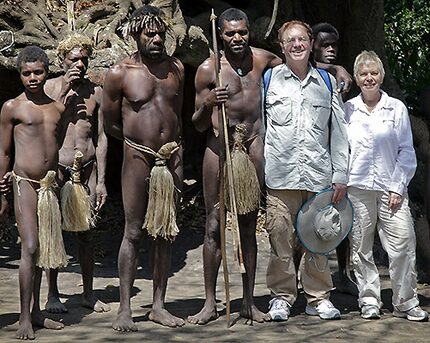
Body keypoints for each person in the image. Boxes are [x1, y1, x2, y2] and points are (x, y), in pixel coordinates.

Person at [187, 8, 282, 325]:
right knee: (213, 225)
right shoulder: (207, 69)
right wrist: (208, 103)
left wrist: (333, 69)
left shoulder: (265, 60)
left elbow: (298, 69)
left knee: (247, 226)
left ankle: (249, 303)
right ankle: (210, 303)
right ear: (221, 34)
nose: (237, 38)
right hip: (219, 148)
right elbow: (198, 125)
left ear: (248, 31)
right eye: (230, 33)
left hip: (253, 145)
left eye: (242, 32)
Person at [101, 5, 185, 331]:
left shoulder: (176, 68)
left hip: (172, 155)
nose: (156, 38)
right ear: (135, 34)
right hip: (137, 156)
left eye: (160, 32)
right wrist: (139, 143)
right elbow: (110, 123)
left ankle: (159, 306)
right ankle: (124, 308)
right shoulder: (119, 74)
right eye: (149, 33)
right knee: (133, 232)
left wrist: (173, 150)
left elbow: (177, 114)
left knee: (165, 231)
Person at [264, 20, 349, 321]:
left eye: (302, 39)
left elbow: (338, 131)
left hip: (317, 177)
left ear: (311, 43)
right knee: (280, 239)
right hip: (280, 176)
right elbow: (260, 129)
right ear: (282, 46)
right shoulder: (270, 79)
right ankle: (282, 297)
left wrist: (341, 175)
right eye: (290, 40)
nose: (297, 44)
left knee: (319, 239)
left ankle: (317, 297)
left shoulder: (326, 83)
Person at [345, 50, 428, 321]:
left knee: (403, 244)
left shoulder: (396, 108)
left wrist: (396, 186)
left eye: (374, 73)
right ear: (356, 78)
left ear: (381, 76)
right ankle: (368, 300)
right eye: (363, 74)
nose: (369, 78)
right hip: (357, 188)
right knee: (360, 248)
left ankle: (405, 301)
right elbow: (341, 150)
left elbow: (406, 150)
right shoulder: (347, 109)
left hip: (391, 188)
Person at [0, 46, 67, 340]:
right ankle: (24, 317)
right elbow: (3, 152)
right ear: (20, 75)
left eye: (38, 72)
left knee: (43, 249)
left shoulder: (57, 108)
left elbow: (56, 145)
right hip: (23, 183)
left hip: (50, 186)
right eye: (26, 73)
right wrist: (1, 190)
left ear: (47, 72)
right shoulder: (12, 108)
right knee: (28, 247)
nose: (32, 78)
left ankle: (38, 312)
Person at [43, 33, 110, 314]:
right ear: (61, 60)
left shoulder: (96, 92)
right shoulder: (47, 88)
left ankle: (88, 293)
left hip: (87, 168)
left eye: (84, 59)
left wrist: (102, 181)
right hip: (56, 168)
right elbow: (44, 129)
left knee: (88, 234)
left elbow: (102, 136)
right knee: (52, 232)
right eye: (74, 59)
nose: (80, 64)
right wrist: (63, 94)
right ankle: (52, 295)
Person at [312, 22, 357, 296]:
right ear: (312, 45)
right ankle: (298, 277)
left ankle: (343, 273)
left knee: (341, 215)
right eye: (324, 45)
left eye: (334, 46)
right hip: (312, 155)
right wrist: (334, 68)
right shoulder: (306, 71)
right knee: (306, 217)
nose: (330, 50)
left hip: (337, 155)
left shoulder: (342, 79)